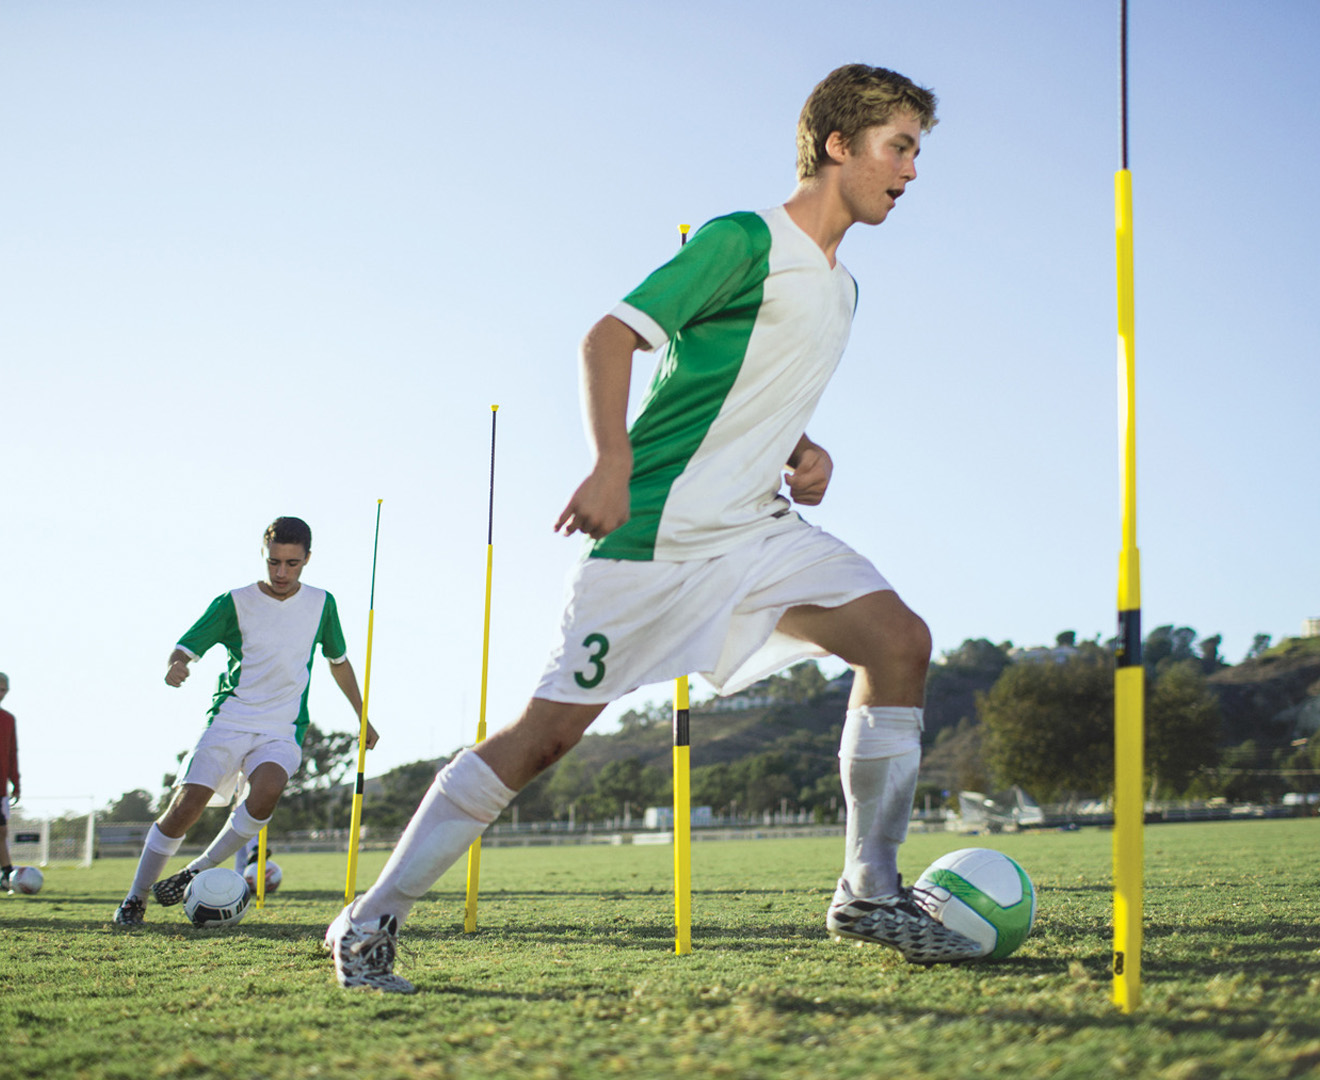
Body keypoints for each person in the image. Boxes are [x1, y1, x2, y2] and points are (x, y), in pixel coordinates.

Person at [327, 63, 981, 993]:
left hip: (757, 533)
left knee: (899, 641)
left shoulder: (844, 290)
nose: (911, 172)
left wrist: (804, 446)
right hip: (656, 536)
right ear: (841, 145)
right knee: (544, 738)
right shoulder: (743, 238)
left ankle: (869, 887)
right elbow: (610, 337)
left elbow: (740, 383)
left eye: (915, 151)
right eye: (900, 147)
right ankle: (369, 918)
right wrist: (612, 463)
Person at [113, 517, 378, 926]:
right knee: (185, 807)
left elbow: (338, 663)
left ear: (308, 558)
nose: (281, 573)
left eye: (292, 564)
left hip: (283, 728)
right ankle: (135, 898)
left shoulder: (322, 603)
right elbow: (184, 648)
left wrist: (364, 719)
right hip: (230, 719)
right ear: (263, 554)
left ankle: (196, 871)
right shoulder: (233, 602)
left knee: (268, 789)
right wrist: (176, 666)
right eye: (274, 562)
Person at [0, 672, 20, 892]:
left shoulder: (8, 719)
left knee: (2, 831)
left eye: (4, 690)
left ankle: (6, 875)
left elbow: (12, 752)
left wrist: (15, 781)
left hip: (0, 787)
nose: (1, 694)